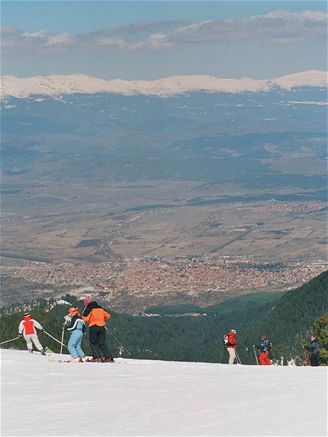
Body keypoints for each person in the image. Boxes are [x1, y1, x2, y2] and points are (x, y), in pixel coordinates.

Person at [82, 298, 114, 362]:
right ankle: (108, 357)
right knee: (102, 343)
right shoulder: (100, 308)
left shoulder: (89, 308)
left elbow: (85, 319)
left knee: (93, 343)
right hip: (102, 327)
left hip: (94, 327)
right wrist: (101, 319)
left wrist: (90, 320)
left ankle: (97, 357)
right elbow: (108, 316)